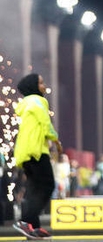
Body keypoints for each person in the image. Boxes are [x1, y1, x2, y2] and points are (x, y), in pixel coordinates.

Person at [13, 73, 62, 240]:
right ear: (34, 86)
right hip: (36, 151)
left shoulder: (26, 103)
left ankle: (33, 227)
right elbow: (45, 122)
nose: (43, 86)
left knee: (34, 189)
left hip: (23, 151)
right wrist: (56, 141)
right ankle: (25, 221)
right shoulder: (38, 100)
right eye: (41, 83)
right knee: (48, 185)